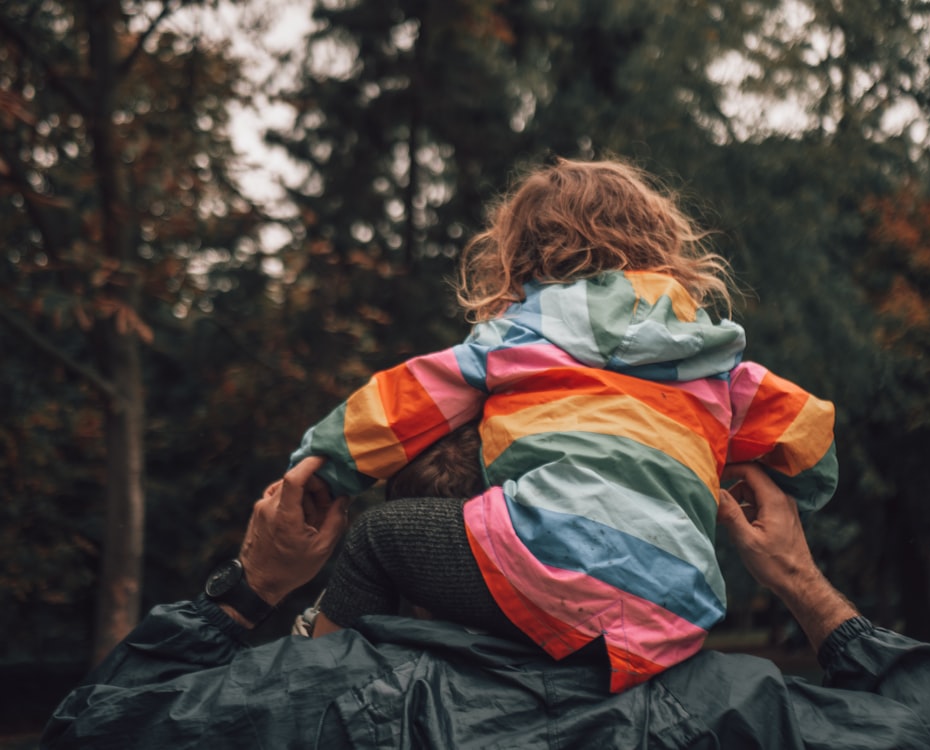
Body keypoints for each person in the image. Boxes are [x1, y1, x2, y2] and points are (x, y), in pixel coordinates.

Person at [289, 157, 839, 691]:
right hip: (675, 607)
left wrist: (323, 465)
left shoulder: (520, 334)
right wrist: (801, 488)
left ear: (521, 258)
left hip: (545, 562)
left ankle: (307, 693)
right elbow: (808, 431)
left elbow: (401, 403)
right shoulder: (715, 362)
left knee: (376, 540)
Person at [41, 460, 930, 749]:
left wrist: (251, 587)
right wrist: (799, 581)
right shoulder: (734, 714)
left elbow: (88, 731)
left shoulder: (303, 699)